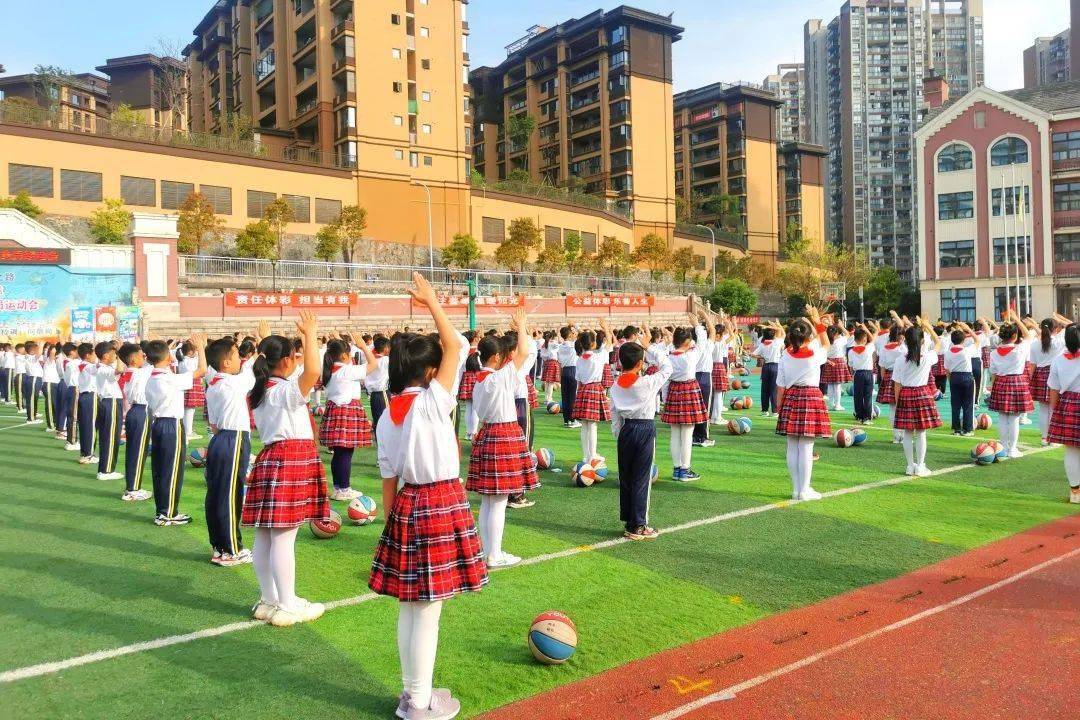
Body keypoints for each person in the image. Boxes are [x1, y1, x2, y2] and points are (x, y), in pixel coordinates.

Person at [370, 273, 485, 720]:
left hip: (407, 504)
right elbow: (455, 343)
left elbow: (388, 476)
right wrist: (433, 302)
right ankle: (418, 703)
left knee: (412, 605)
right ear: (432, 372)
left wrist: (389, 521)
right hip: (438, 501)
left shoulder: (388, 413)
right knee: (428, 609)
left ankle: (413, 693)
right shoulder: (432, 401)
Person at [244, 312, 329, 627]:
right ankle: (289, 603)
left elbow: (295, 370)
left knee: (265, 535)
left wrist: (267, 337)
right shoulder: (283, 391)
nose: (296, 360)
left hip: (271, 458)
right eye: (292, 356)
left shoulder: (263, 389)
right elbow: (314, 370)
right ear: (286, 363)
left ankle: (270, 600)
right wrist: (310, 334)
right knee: (283, 537)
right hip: (290, 458)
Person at [467, 309, 539, 568]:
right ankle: (493, 554)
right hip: (503, 434)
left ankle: (488, 551)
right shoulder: (499, 377)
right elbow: (524, 352)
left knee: (490, 500)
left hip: (488, 433)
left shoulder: (479, 380)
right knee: (497, 501)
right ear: (496, 357)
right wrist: (522, 325)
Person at [204, 335, 258, 567]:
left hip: (219, 439)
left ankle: (219, 547)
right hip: (234, 438)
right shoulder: (233, 383)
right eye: (236, 355)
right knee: (230, 494)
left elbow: (214, 425)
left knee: (216, 494)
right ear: (226, 363)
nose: (239, 359)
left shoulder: (213, 384)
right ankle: (232, 549)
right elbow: (251, 373)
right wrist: (261, 344)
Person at [611, 339, 672, 540]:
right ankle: (639, 525)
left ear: (620, 363)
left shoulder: (615, 385)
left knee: (627, 478)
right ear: (640, 364)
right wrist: (651, 347)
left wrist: (619, 435)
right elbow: (667, 367)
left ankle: (630, 522)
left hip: (626, 430)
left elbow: (615, 415)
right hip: (644, 428)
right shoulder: (646, 382)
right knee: (642, 479)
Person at [145, 335, 207, 525]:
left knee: (161, 469)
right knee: (172, 469)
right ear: (168, 358)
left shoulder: (153, 377)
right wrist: (201, 348)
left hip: (159, 424)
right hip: (171, 424)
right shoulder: (169, 379)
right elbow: (202, 370)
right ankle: (168, 513)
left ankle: (162, 510)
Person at [775, 308, 831, 501]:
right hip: (810, 397)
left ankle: (796, 489)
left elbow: (780, 386)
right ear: (808, 337)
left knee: (792, 445)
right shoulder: (814, 353)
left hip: (791, 397)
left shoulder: (785, 355)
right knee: (806, 446)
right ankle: (804, 491)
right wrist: (818, 322)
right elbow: (826, 342)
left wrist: (780, 407)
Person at [319, 335, 376, 501]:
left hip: (335, 410)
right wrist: (364, 347)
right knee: (345, 452)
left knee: (339, 452)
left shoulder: (332, 371)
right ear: (344, 355)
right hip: (346, 410)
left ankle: (338, 487)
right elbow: (373, 365)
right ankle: (344, 488)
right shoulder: (346, 371)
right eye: (349, 353)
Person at [661, 312, 713, 481]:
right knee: (687, 434)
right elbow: (703, 341)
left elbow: (666, 382)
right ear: (687, 341)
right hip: (689, 390)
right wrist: (697, 324)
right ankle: (685, 470)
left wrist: (666, 398)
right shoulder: (691, 355)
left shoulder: (668, 357)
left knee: (675, 433)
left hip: (674, 392)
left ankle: (677, 469)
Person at [891, 318, 942, 477]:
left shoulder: (900, 359)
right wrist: (928, 326)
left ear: (905, 340)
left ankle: (909, 466)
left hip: (906, 394)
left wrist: (898, 402)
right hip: (922, 394)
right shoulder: (927, 357)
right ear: (921, 341)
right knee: (921, 433)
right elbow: (938, 343)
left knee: (907, 433)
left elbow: (897, 385)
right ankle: (920, 466)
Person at [987, 310, 1033, 459]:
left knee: (1002, 418)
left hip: (1000, 382)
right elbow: (1027, 335)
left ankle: (1003, 447)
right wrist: (1016, 319)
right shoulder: (1019, 349)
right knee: (1013, 418)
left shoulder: (994, 353)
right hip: (1016, 382)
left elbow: (993, 373)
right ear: (1014, 336)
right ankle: (1012, 449)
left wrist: (993, 386)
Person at [1045, 322, 1080, 504]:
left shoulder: (1059, 359)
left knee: (1072, 450)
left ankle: (1075, 492)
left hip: (1068, 404)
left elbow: (1053, 388)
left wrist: (1054, 410)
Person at [571, 322, 612, 464]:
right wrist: (606, 328)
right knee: (592, 425)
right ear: (593, 344)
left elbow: (578, 380)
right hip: (594, 389)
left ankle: (586, 455)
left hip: (583, 390)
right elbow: (609, 344)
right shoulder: (598, 357)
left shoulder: (579, 360)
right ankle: (592, 455)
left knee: (585, 425)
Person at [1028, 314, 1070, 446]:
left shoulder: (1034, 344)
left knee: (1043, 409)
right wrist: (1059, 319)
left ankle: (1044, 438)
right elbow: (1072, 326)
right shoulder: (1059, 341)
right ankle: (1052, 438)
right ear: (1055, 329)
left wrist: (1029, 380)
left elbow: (1032, 365)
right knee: (1054, 408)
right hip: (1056, 374)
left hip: (1040, 375)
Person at [119, 343, 152, 502]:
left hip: (134, 411)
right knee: (139, 452)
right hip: (141, 411)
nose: (143, 357)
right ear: (132, 359)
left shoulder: (131, 372)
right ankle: (133, 489)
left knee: (133, 451)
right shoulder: (140, 373)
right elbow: (160, 362)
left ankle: (132, 486)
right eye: (140, 355)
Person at [93, 341, 125, 482]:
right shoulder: (103, 369)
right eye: (113, 354)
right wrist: (119, 352)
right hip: (110, 402)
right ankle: (106, 470)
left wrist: (117, 353)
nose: (115, 356)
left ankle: (105, 468)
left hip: (110, 402)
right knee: (111, 437)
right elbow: (120, 370)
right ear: (106, 356)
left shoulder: (103, 367)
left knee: (109, 436)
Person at [943, 325, 978, 436]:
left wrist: (950, 380)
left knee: (955, 405)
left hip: (954, 377)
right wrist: (968, 329)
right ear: (964, 340)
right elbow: (977, 340)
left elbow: (947, 370)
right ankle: (967, 429)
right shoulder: (967, 350)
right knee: (968, 404)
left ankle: (956, 429)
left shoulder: (948, 352)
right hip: (967, 377)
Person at [75, 343, 99, 465]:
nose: (96, 356)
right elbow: (98, 368)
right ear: (88, 355)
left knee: (85, 425)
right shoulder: (87, 366)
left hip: (85, 396)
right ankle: (88, 454)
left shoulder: (83, 365)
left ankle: (85, 453)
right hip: (90, 396)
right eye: (94, 353)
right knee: (91, 426)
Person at [176, 341, 206, 440]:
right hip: (190, 385)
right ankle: (188, 432)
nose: (197, 352)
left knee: (189, 409)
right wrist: (201, 348)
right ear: (190, 352)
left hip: (189, 385)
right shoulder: (188, 361)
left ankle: (187, 430)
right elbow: (200, 368)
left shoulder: (184, 360)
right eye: (195, 350)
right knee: (189, 409)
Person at [847, 325, 876, 424]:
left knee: (858, 396)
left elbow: (850, 365)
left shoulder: (851, 351)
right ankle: (867, 417)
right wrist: (865, 328)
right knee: (868, 395)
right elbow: (872, 339)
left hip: (857, 373)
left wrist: (852, 375)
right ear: (865, 339)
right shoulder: (868, 348)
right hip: (868, 373)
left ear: (854, 339)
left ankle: (859, 416)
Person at [752, 324, 782, 416]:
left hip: (766, 366)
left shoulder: (763, 344)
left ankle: (764, 410)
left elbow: (753, 355)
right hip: (775, 366)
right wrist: (773, 326)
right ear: (773, 335)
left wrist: (762, 357)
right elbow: (780, 330)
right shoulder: (777, 342)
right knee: (774, 389)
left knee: (764, 389)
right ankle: (774, 411)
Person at [555, 325, 581, 428]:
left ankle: (567, 420)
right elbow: (581, 336)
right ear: (570, 335)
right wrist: (576, 328)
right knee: (572, 397)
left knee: (565, 397)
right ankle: (572, 420)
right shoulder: (574, 345)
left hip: (564, 371)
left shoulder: (560, 346)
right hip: (573, 370)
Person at [365, 333, 391, 433]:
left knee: (378, 420)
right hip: (382, 392)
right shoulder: (385, 360)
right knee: (386, 420)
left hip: (374, 394)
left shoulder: (372, 360)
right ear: (385, 348)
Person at [822, 325, 852, 411]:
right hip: (839, 362)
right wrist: (841, 326)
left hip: (828, 362)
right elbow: (847, 334)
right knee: (837, 386)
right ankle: (837, 405)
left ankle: (831, 404)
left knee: (830, 385)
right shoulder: (840, 340)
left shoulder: (826, 341)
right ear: (836, 333)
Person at [22, 341, 43, 424]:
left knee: (34, 398)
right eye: (35, 348)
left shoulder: (31, 356)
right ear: (31, 350)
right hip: (33, 378)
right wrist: (41, 345)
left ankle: (33, 415)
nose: (36, 349)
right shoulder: (29, 357)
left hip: (35, 379)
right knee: (31, 398)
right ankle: (30, 418)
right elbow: (39, 354)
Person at [540, 331, 561, 404]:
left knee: (547, 383)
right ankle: (549, 399)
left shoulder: (544, 344)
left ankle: (547, 399)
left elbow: (542, 356)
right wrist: (557, 338)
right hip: (553, 363)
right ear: (552, 337)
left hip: (547, 363)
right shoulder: (552, 343)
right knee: (551, 383)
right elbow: (559, 345)